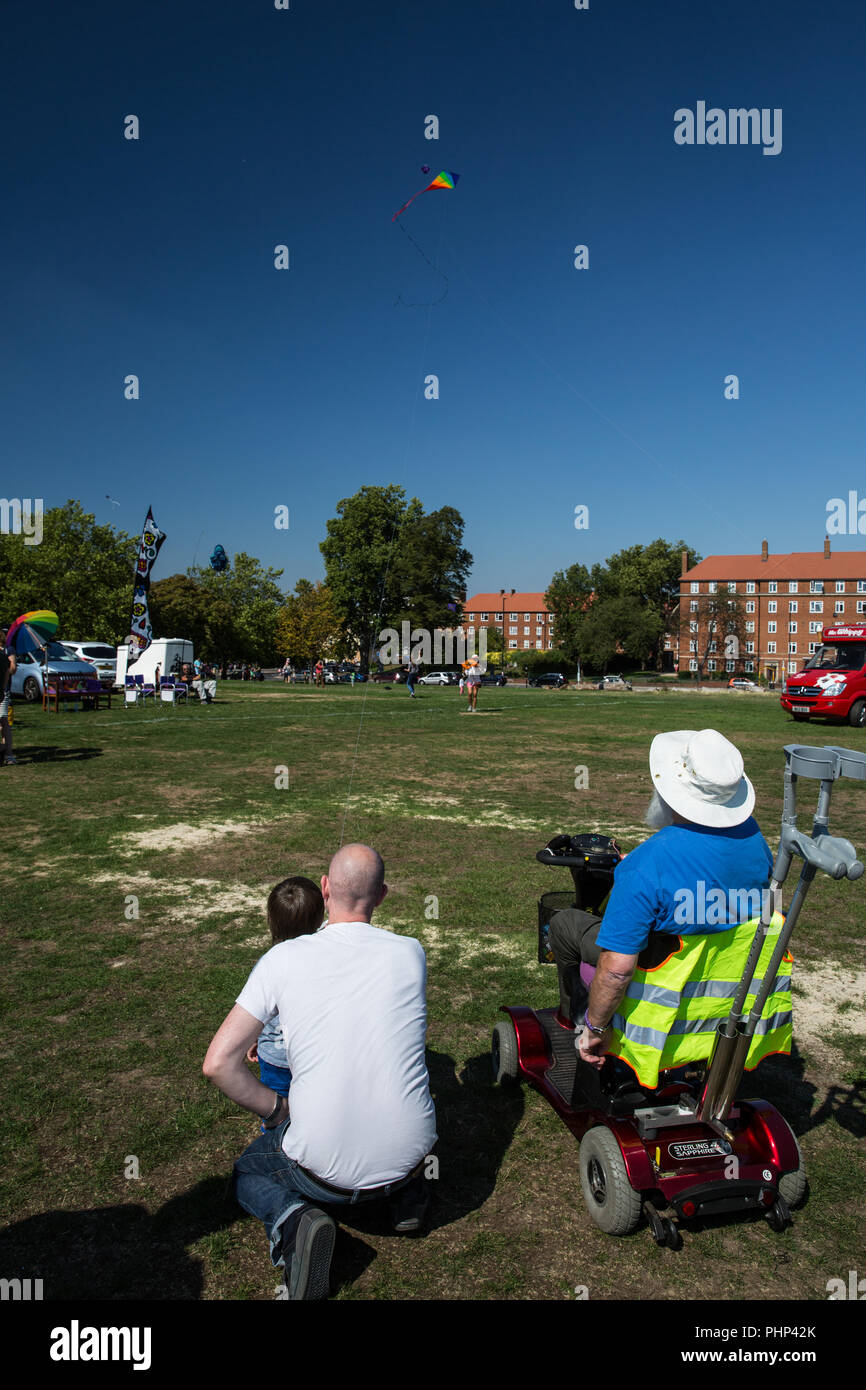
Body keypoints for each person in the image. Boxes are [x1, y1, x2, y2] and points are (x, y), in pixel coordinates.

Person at [202, 844, 437, 1300]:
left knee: (248, 1172)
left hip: (322, 1176)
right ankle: (407, 1196)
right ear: (383, 895)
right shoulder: (411, 953)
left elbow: (218, 1063)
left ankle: (295, 1221)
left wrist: (277, 1109)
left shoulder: (282, 960)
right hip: (412, 1159)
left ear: (325, 888)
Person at [547, 729, 774, 1072]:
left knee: (565, 923)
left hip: (664, 979)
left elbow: (619, 970)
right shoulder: (757, 843)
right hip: (728, 988)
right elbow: (748, 908)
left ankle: (578, 1022)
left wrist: (597, 1028)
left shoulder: (648, 864)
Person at [245, 877, 326, 1105]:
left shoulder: (268, 963)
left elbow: (256, 1011)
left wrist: (254, 1037)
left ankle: (276, 1136)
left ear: (272, 921)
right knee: (315, 1106)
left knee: (276, 1109)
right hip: (313, 1053)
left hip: (274, 1055)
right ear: (319, 919)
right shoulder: (328, 961)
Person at [0, 628, 17, 767]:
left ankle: (8, 753)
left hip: (2, 692)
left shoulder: (7, 650)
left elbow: (11, 670)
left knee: (3, 721)